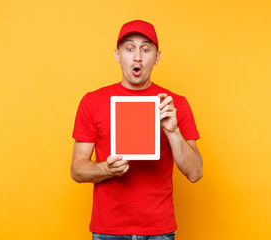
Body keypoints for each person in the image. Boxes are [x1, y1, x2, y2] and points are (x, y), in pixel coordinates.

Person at [71, 20, 203, 240]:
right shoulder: (92, 102)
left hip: (159, 230)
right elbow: (76, 170)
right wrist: (107, 168)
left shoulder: (175, 104)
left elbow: (196, 173)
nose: (138, 57)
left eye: (146, 49)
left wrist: (173, 132)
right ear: (117, 55)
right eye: (129, 48)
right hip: (108, 231)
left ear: (157, 56)